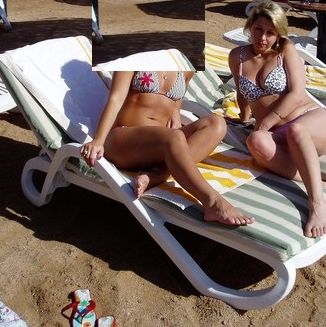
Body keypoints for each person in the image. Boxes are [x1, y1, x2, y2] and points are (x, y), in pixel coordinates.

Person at [227, 2, 326, 238]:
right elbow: (242, 91)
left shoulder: (286, 51)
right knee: (255, 142)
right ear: (250, 27)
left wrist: (264, 124)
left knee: (296, 131)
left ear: (279, 34)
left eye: (270, 32)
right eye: (258, 29)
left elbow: (297, 94)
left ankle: (317, 204)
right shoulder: (237, 57)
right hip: (277, 135)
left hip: (309, 120)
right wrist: (243, 117)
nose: (263, 37)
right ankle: (322, 184)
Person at [80, 70, 254, 226]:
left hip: (160, 143)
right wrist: (98, 139)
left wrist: (175, 115)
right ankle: (212, 201)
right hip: (124, 138)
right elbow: (116, 98)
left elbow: (176, 103)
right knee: (174, 137)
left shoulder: (183, 63)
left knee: (217, 123)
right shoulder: (134, 56)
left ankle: (159, 174)